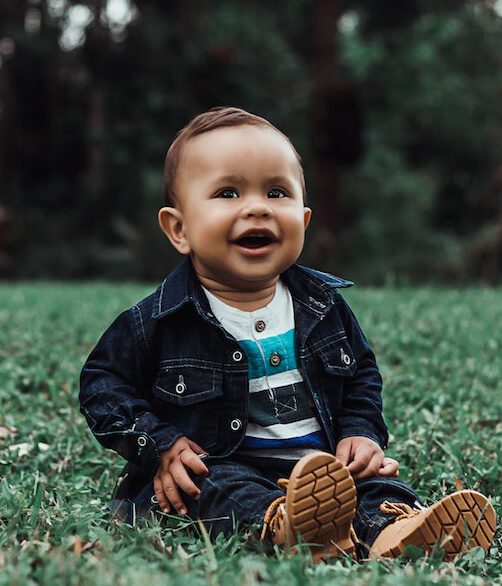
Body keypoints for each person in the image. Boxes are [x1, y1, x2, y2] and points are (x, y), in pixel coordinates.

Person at [79, 106, 496, 561]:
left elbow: (360, 375)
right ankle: (286, 525)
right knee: (216, 487)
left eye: (277, 192)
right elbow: (103, 385)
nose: (257, 206)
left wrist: (361, 433)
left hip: (324, 472)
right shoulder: (158, 320)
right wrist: (161, 446)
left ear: (304, 219)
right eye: (228, 192)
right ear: (179, 229)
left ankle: (394, 531)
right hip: (222, 464)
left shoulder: (323, 305)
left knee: (374, 483)